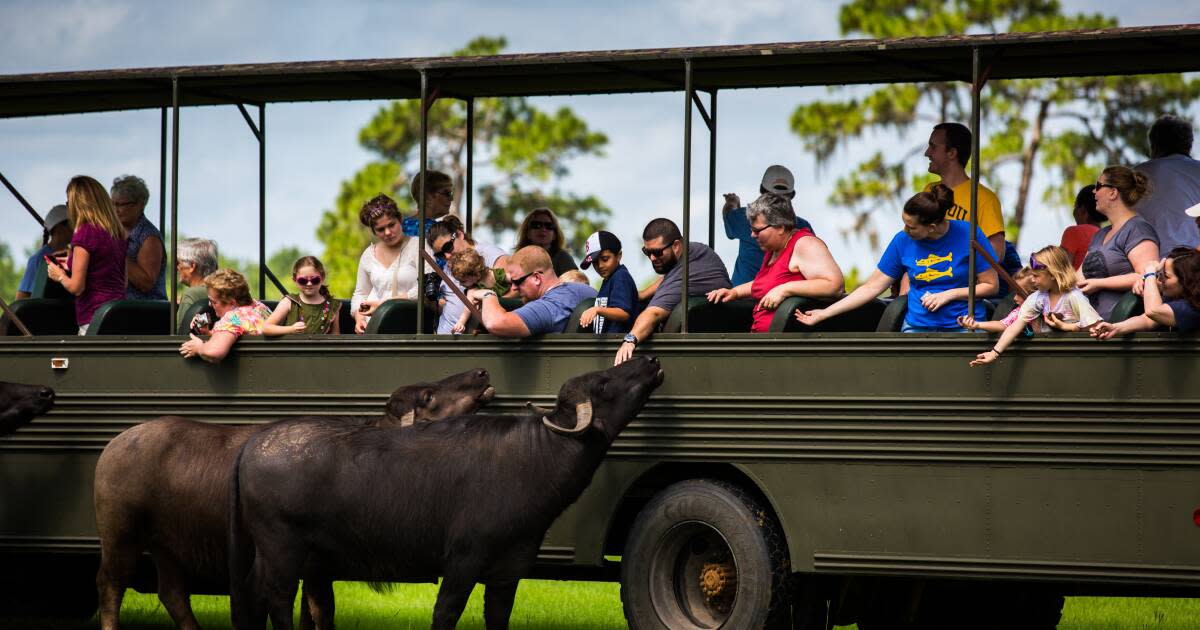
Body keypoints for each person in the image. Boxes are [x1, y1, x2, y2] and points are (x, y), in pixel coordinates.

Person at [796, 185, 998, 333]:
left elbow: (991, 286)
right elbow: (871, 288)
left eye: (911, 227)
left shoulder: (969, 234)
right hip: (918, 327)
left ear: (932, 227)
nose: (905, 230)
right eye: (904, 223)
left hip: (964, 325)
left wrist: (948, 295)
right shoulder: (902, 240)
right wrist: (825, 313)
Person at [707, 193, 843, 333]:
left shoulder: (805, 244)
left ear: (780, 227)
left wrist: (785, 289)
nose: (752, 235)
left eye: (757, 230)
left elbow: (834, 285)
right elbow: (764, 283)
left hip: (784, 346)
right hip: (763, 341)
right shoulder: (774, 250)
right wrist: (734, 292)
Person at [922, 122, 1021, 294]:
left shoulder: (984, 198)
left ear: (952, 153)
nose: (927, 153)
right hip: (928, 281)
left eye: (933, 147)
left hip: (963, 291)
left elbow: (996, 253)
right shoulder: (929, 190)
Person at [614, 219, 732, 364]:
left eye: (657, 252)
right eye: (647, 252)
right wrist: (643, 294)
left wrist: (630, 339)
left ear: (676, 245)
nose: (652, 258)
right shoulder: (697, 251)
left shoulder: (685, 276)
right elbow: (668, 277)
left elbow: (654, 313)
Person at [969, 246, 1102, 366]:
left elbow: (1095, 327)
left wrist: (1067, 327)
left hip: (1074, 358)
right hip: (1049, 358)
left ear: (1052, 274)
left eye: (1036, 276)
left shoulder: (1074, 297)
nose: (1032, 280)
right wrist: (994, 353)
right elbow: (1015, 326)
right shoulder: (1039, 298)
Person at [45, 176, 128, 335]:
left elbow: (77, 287)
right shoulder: (119, 233)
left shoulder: (85, 233)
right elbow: (122, 282)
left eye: (69, 202)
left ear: (78, 204)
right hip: (117, 313)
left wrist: (60, 275)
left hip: (93, 318)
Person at [1079, 166, 1160, 320]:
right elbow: (1079, 276)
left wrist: (1100, 283)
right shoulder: (1100, 234)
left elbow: (1147, 276)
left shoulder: (1138, 229)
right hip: (1089, 327)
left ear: (1113, 192)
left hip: (1120, 331)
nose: (1093, 192)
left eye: (1098, 186)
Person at [466, 245, 596, 337]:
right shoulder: (582, 290)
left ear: (536, 278)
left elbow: (495, 324)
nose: (513, 288)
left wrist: (488, 294)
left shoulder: (548, 307)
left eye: (517, 281)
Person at [721, 165, 816, 285]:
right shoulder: (803, 226)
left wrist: (732, 201)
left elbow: (729, 214)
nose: (754, 234)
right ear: (792, 195)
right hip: (786, 299)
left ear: (761, 190)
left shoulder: (744, 217)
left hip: (743, 300)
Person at [178, 269, 300, 363]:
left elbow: (214, 352)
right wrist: (209, 333)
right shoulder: (259, 307)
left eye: (214, 301)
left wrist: (199, 348)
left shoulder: (232, 318)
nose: (210, 304)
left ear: (232, 302)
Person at [1092, 247, 1200, 337]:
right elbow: (1147, 320)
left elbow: (1153, 311)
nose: (1160, 279)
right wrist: (1116, 327)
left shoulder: (1192, 308)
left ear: (1186, 281)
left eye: (1165, 276)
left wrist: (1150, 274)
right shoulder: (1176, 297)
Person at [351, 194, 421, 334]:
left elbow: (425, 290)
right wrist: (359, 318)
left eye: (391, 225)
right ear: (373, 231)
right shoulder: (368, 254)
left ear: (400, 219)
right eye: (381, 229)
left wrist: (384, 304)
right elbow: (360, 293)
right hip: (376, 328)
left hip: (411, 327)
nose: (388, 232)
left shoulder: (419, 246)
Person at [429, 215, 510, 335]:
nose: (446, 256)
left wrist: (484, 302)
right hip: (444, 337)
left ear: (459, 234)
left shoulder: (489, 253)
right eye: (440, 255)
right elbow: (449, 305)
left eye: (448, 247)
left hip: (475, 342)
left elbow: (515, 290)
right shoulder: (447, 266)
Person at [1133, 115, 1200, 252]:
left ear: (1155, 145)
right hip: (1195, 260)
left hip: (1151, 263)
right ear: (1188, 145)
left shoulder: (1137, 174)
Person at [110, 175, 166, 300]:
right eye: (113, 204)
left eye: (121, 205)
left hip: (143, 310)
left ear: (140, 204)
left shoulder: (149, 237)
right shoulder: (113, 233)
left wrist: (115, 252)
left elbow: (146, 283)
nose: (115, 210)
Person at [577, 230, 638, 334]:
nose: (600, 265)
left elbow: (624, 313)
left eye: (605, 259)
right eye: (595, 262)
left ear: (619, 256)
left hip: (618, 344)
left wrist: (597, 309)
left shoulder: (620, 276)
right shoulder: (609, 279)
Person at [266, 256, 342, 334]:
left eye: (315, 280)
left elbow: (335, 337)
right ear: (295, 280)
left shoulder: (332, 306)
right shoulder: (289, 302)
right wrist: (291, 329)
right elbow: (266, 328)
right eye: (303, 280)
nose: (309, 284)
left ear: (322, 278)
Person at [445, 248, 511, 335]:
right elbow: (468, 306)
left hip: (510, 310)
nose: (461, 284)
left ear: (476, 274)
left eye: (463, 281)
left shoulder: (495, 275)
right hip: (495, 318)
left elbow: (515, 278)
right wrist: (461, 322)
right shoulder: (473, 289)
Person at [16, 204, 71, 300]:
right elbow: (21, 299)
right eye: (73, 223)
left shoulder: (75, 256)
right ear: (60, 227)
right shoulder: (37, 259)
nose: (76, 228)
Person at [958, 266, 1037, 334]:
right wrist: (977, 324)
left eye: (1020, 294)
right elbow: (1002, 324)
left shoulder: (1046, 307)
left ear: (1034, 294)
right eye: (1015, 293)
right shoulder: (1019, 312)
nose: (1014, 298)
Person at [515, 208, 578, 275]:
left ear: (554, 235)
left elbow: (575, 283)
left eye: (549, 226)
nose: (543, 229)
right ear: (527, 233)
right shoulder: (518, 259)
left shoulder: (563, 258)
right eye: (536, 225)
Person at [175, 238, 219, 331]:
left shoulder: (191, 295)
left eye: (178, 262)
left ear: (192, 266)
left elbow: (179, 334)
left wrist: (187, 299)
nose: (177, 268)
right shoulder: (223, 290)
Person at [1059, 185, 1105, 269]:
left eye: (1075, 206)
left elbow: (1061, 273)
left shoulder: (1074, 232)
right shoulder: (1111, 236)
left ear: (1082, 210)